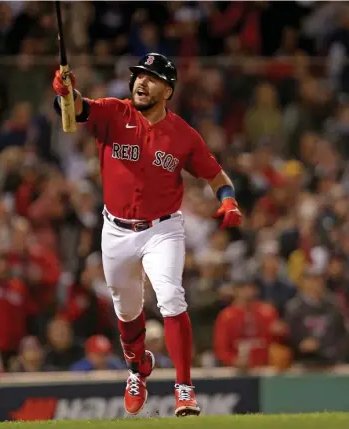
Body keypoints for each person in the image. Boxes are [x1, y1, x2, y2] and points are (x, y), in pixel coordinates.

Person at [52, 53, 242, 417]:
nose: (141, 81)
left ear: (168, 90)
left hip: (163, 229)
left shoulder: (183, 135)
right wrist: (64, 91)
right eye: (138, 75)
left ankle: (184, 388)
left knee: (171, 296)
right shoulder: (114, 112)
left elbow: (216, 175)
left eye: (152, 77)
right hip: (116, 230)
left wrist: (229, 200)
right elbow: (77, 110)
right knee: (126, 309)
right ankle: (138, 366)